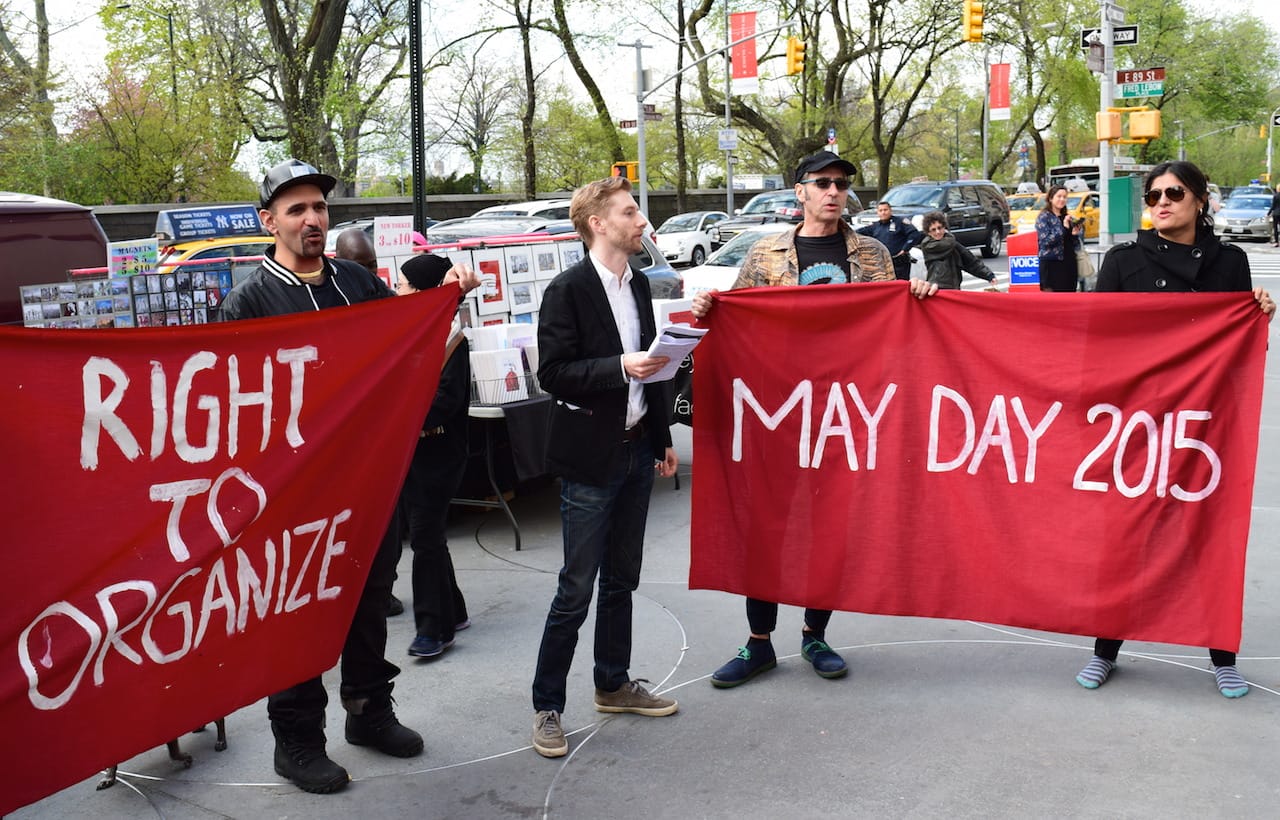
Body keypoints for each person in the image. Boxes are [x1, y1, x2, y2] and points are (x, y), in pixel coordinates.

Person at [221, 158, 478, 794]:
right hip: (294, 496)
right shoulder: (248, 301)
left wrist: (449, 303)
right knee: (297, 616)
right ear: (268, 222)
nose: (312, 220)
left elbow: (404, 358)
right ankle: (297, 741)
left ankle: (368, 712)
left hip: (368, 483)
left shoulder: (357, 286)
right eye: (296, 210)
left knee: (368, 603)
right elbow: (234, 406)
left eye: (319, 208)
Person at [690, 149, 937, 689]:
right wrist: (713, 309)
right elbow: (739, 320)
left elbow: (898, 328)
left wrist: (920, 297)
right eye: (822, 182)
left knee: (831, 525)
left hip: (847, 412)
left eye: (842, 183)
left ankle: (814, 635)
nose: (833, 190)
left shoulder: (872, 253)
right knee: (768, 525)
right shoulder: (766, 253)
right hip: (777, 411)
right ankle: (758, 643)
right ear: (799, 190)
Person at [1078, 159, 1275, 699]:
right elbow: (1096, 340)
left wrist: (1259, 314)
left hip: (1205, 424)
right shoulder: (1124, 262)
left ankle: (1222, 657)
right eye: (1154, 195)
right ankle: (1105, 650)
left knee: (1208, 538)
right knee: (1129, 537)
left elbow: (1240, 352)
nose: (1162, 202)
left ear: (1199, 201)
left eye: (1175, 193)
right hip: (1139, 421)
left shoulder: (1230, 263)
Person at [530, 175, 680, 759]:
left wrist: (662, 435)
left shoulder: (639, 284)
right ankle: (547, 706)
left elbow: (655, 366)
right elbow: (555, 373)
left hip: (639, 448)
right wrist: (620, 365)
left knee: (623, 580)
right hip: (591, 460)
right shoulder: (567, 290)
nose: (642, 222)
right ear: (598, 223)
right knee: (575, 588)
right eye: (630, 213)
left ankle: (613, 683)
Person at [397, 253, 472, 659]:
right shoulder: (416, 333)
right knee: (428, 535)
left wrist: (397, 412)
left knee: (424, 537)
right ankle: (454, 609)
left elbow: (444, 403)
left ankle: (434, 629)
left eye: (404, 285)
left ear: (424, 292)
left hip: (440, 451)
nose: (397, 291)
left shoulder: (452, 339)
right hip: (416, 449)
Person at [332, 227, 406, 618]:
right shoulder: (326, 303)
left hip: (377, 438)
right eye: (360, 265)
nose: (369, 273)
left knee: (385, 525)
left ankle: (383, 588)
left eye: (373, 265)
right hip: (336, 443)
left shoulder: (379, 296)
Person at [918, 211, 998, 290]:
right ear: (928, 232)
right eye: (933, 230)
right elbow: (970, 260)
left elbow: (970, 261)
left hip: (954, 288)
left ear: (944, 227)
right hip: (936, 289)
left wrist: (989, 275)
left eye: (939, 228)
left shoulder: (952, 244)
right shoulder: (928, 245)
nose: (937, 232)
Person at [856, 201, 923, 280]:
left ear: (890, 211)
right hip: (881, 264)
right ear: (877, 212)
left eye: (885, 210)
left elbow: (914, 234)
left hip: (899, 263)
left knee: (899, 286)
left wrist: (905, 249)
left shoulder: (900, 223)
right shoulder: (875, 226)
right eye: (880, 210)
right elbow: (857, 233)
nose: (883, 212)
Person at [1035, 185, 1084, 292]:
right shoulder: (1044, 217)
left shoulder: (1067, 217)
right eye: (1059, 196)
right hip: (1051, 264)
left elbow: (1074, 244)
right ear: (1051, 198)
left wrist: (1075, 233)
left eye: (1065, 197)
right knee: (1052, 301)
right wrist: (1064, 228)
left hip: (1069, 263)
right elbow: (1045, 241)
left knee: (1069, 298)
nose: (1062, 199)